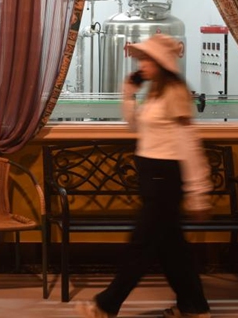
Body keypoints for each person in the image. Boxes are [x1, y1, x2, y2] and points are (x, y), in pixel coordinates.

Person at [75, 34, 213, 318]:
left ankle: (106, 304)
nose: (141, 63)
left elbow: (189, 142)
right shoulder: (154, 91)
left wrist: (199, 191)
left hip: (165, 178)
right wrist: (128, 94)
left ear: (161, 63)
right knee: (171, 248)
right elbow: (135, 127)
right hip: (152, 176)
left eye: (147, 59)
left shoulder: (175, 91)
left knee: (141, 245)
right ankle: (195, 308)